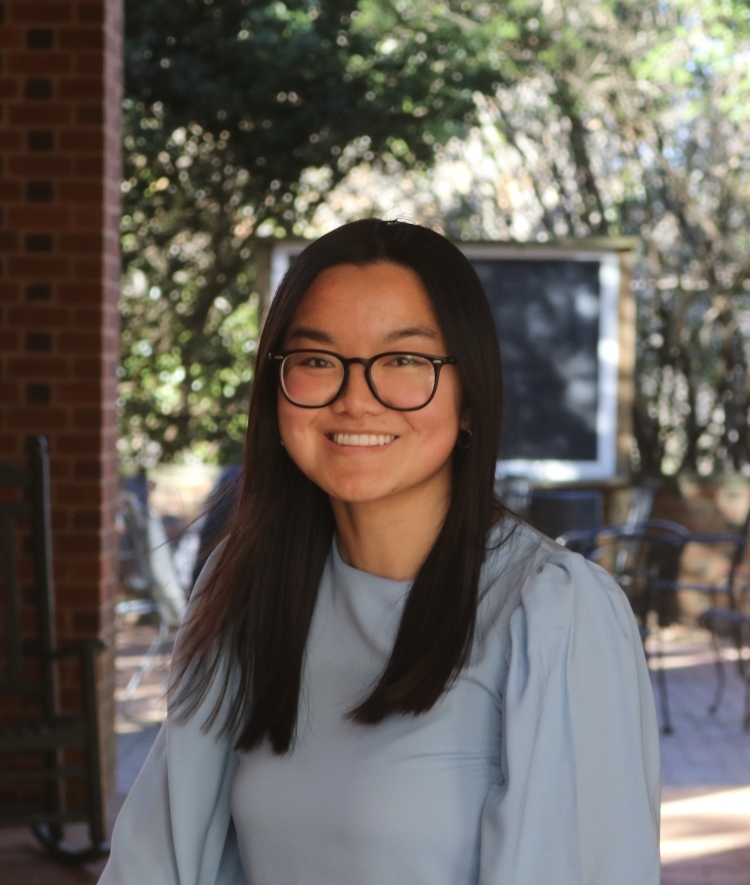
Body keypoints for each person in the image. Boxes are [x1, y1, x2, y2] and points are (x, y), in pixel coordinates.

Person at [100, 219, 660, 885]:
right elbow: (156, 859)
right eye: (315, 359)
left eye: (404, 362)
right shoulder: (249, 587)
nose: (355, 398)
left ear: (471, 398)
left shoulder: (551, 614)